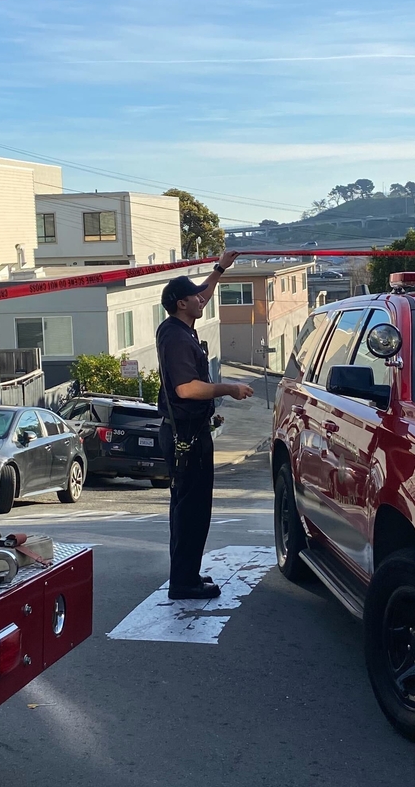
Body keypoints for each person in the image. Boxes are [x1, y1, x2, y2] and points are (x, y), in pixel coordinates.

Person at [157, 251, 254, 601]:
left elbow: (204, 291)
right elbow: (187, 389)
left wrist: (221, 268)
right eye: (196, 297)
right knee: (191, 512)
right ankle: (184, 583)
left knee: (189, 509)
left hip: (189, 433)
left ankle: (187, 574)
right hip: (186, 438)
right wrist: (231, 388)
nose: (203, 299)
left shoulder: (177, 326)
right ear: (182, 303)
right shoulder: (179, 340)